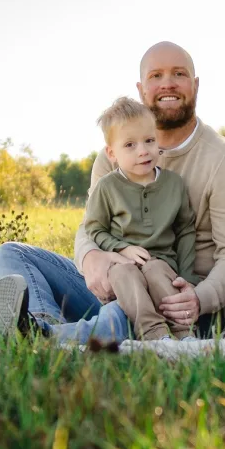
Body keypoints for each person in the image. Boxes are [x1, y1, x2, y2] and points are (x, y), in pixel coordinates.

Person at [0, 42, 225, 342]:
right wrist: (90, 257)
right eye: (156, 76)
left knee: (123, 313)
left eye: (178, 74)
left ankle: (49, 338)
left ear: (195, 85)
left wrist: (197, 297)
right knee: (11, 255)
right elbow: (90, 226)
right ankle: (42, 324)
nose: (167, 83)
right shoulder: (113, 157)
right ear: (142, 89)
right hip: (118, 286)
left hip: (184, 306)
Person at [84, 96, 198, 341]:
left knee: (156, 270)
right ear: (111, 153)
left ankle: (183, 335)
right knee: (123, 273)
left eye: (149, 140)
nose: (143, 151)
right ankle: (154, 334)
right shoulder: (107, 187)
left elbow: (186, 230)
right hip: (123, 264)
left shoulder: (173, 184)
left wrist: (188, 278)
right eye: (130, 145)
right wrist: (122, 248)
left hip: (162, 264)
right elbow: (95, 228)